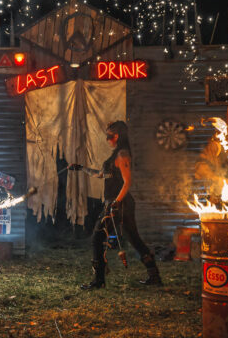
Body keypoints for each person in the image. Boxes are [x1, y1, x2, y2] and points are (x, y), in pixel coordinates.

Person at [69, 120, 162, 289]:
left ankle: (99, 281)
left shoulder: (122, 154)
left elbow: (127, 182)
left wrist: (115, 203)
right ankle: (154, 276)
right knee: (134, 239)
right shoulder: (115, 156)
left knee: (97, 238)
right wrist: (81, 168)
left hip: (119, 203)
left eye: (109, 136)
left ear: (117, 136)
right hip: (118, 203)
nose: (107, 140)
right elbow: (101, 175)